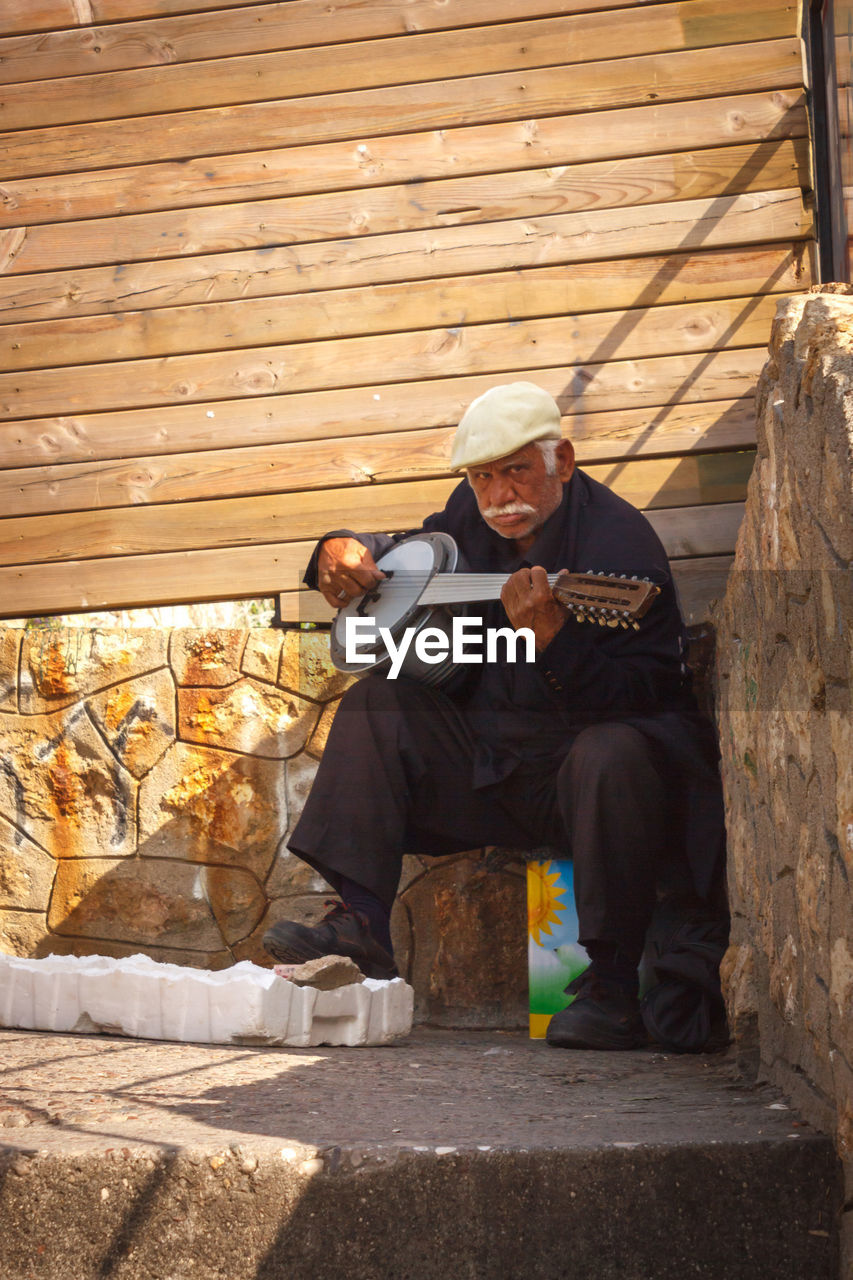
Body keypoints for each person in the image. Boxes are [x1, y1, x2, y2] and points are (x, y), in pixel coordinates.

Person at [264, 382, 727, 1050]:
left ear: (561, 462)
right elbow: (401, 556)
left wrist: (558, 642)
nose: (499, 494)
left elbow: (648, 700)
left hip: (597, 791)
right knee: (377, 701)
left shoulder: (620, 543)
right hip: (494, 768)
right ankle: (361, 924)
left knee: (612, 751)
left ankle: (612, 988)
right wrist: (337, 549)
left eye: (516, 470)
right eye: (482, 477)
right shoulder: (468, 512)